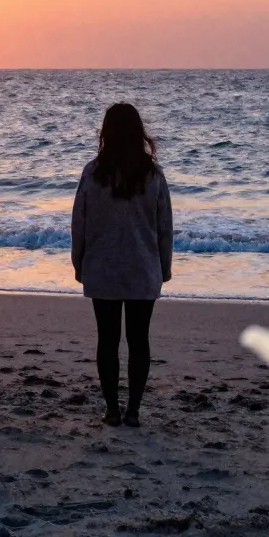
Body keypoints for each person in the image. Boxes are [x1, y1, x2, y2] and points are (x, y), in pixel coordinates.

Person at [70, 101, 172, 426]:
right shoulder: (153, 174)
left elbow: (79, 223)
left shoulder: (93, 173)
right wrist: (164, 266)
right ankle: (134, 411)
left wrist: (78, 261)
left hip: (102, 267)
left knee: (108, 339)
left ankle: (112, 409)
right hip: (143, 267)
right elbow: (164, 226)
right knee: (139, 340)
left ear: (106, 133)